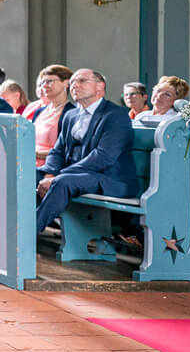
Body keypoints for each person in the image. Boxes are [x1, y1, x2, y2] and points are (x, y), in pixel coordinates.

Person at [35, 69, 138, 234]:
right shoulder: (71, 115)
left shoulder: (115, 115)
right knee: (28, 177)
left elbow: (103, 158)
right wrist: (49, 173)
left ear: (100, 86)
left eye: (82, 81)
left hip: (109, 178)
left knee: (61, 182)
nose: (75, 85)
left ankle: (25, 236)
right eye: (73, 82)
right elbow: (57, 151)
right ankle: (5, 225)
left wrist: (58, 175)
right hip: (76, 174)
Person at [25, 65, 73, 167]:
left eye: (49, 81)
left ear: (66, 83)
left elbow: (67, 152)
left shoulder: (71, 113)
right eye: (42, 82)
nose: (44, 86)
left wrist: (35, 154)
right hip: (27, 162)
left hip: (51, 167)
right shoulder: (39, 111)